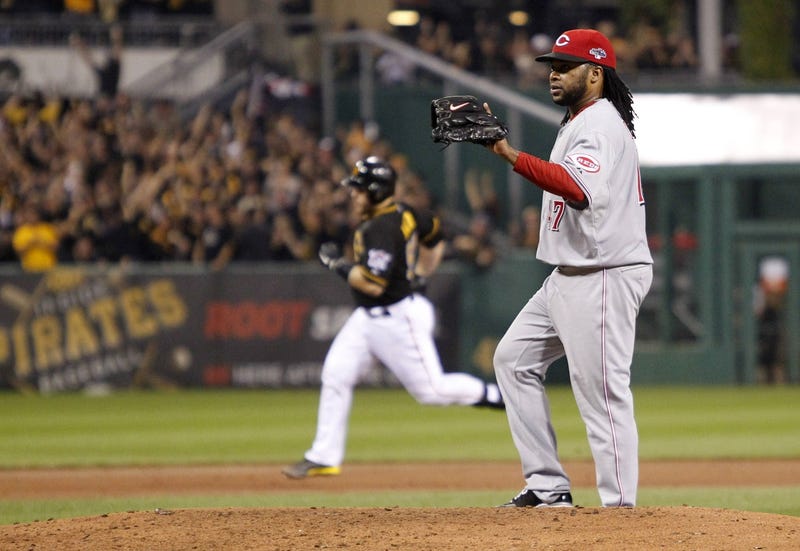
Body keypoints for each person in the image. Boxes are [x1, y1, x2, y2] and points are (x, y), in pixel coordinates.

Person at [483, 29, 653, 508]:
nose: (553, 74)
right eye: (551, 66)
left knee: (601, 393)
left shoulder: (599, 123)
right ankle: (546, 485)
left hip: (604, 275)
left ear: (595, 73)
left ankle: (621, 510)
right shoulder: (579, 121)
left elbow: (576, 190)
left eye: (565, 66)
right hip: (568, 276)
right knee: (513, 361)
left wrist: (508, 153)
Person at [283, 156, 504, 479]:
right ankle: (323, 456)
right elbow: (434, 235)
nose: (352, 195)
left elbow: (373, 285)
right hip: (369, 318)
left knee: (433, 391)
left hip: (397, 317)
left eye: (358, 190)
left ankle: (496, 395)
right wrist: (421, 272)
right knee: (336, 375)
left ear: (373, 191)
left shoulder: (381, 228)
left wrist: (337, 265)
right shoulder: (405, 212)